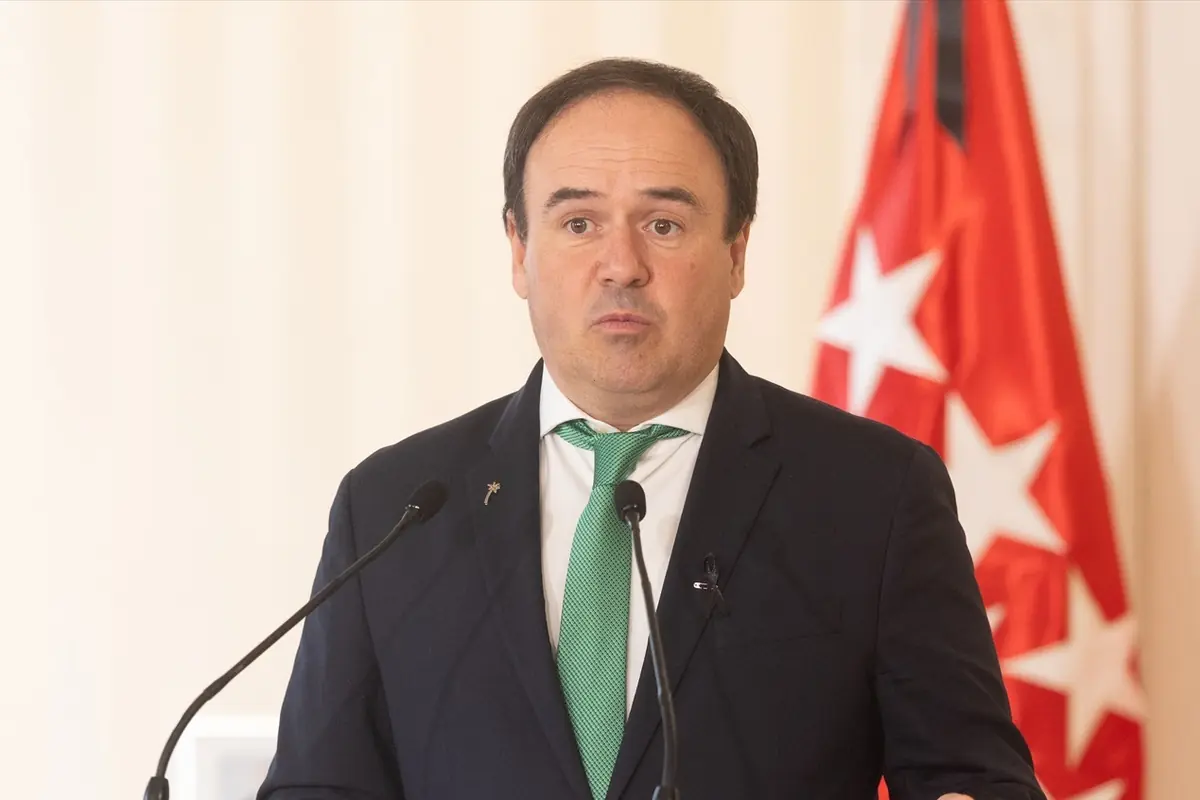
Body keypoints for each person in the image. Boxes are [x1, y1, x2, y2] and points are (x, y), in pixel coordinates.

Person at [258, 58, 1044, 800]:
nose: (621, 264)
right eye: (578, 223)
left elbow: (971, 773)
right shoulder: (395, 506)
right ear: (519, 252)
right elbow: (317, 785)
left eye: (664, 225)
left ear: (737, 251)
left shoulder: (875, 494)